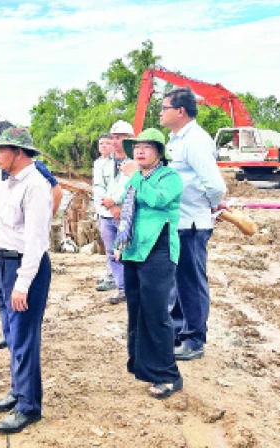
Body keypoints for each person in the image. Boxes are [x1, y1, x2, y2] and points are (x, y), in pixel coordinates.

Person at [0, 127, 53, 434]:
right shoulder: (8, 184)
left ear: (19, 152)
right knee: (11, 333)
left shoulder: (36, 185)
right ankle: (17, 390)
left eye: (1, 151)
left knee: (24, 336)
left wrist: (23, 283)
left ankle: (28, 405)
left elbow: (36, 239)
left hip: (25, 266)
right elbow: (0, 229)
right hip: (2, 262)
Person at [113, 128, 184, 399]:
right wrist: (120, 245)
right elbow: (126, 211)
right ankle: (144, 367)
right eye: (137, 147)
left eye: (147, 147)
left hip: (159, 251)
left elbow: (157, 199)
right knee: (137, 311)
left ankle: (169, 374)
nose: (140, 151)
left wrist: (133, 175)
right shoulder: (137, 177)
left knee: (156, 314)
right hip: (133, 251)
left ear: (159, 152)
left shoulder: (170, 177)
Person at [159, 88, 227, 361]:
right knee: (178, 281)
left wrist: (211, 205)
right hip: (178, 222)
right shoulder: (176, 139)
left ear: (181, 111)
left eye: (164, 108)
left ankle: (194, 339)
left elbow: (215, 185)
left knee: (191, 282)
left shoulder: (195, 141)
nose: (161, 113)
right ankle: (178, 332)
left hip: (192, 223)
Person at [95, 120, 134, 304]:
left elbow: (131, 185)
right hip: (106, 214)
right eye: (114, 137)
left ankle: (133, 286)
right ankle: (121, 288)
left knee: (128, 250)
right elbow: (98, 186)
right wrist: (109, 205)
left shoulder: (135, 163)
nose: (115, 141)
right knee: (112, 252)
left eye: (120, 138)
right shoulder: (103, 163)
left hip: (125, 214)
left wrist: (117, 202)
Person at [92, 132, 117, 290]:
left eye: (107, 143)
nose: (104, 146)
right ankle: (111, 275)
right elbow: (98, 186)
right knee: (109, 248)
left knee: (118, 247)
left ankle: (116, 278)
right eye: (101, 143)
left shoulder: (117, 163)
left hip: (114, 210)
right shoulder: (97, 163)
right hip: (102, 211)